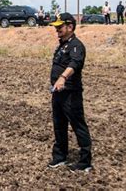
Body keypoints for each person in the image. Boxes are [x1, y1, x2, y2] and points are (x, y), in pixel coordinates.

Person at [48, 13, 93, 172]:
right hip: (58, 93)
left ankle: (85, 161)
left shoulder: (76, 46)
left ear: (70, 27)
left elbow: (75, 63)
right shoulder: (62, 45)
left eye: (60, 27)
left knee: (78, 125)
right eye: (56, 27)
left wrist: (62, 77)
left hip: (71, 94)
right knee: (59, 125)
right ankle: (60, 156)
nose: (57, 30)